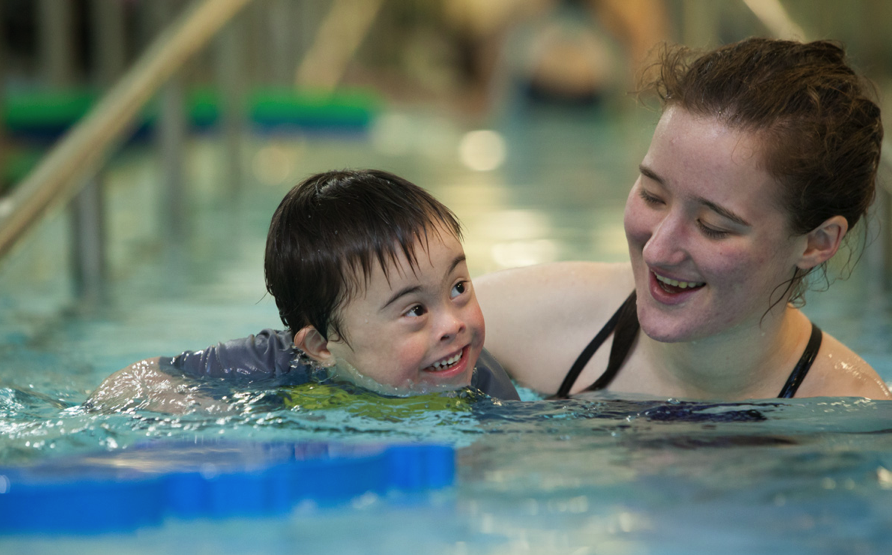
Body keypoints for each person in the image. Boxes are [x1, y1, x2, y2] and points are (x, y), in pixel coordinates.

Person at [475, 37, 892, 400]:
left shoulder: (850, 416)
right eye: (652, 196)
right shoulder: (516, 322)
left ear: (817, 243)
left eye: (714, 226)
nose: (658, 249)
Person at [89, 169, 518, 412]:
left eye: (458, 287)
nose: (453, 325)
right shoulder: (278, 365)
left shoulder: (480, 382)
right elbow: (126, 386)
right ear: (320, 345)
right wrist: (225, 415)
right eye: (415, 311)